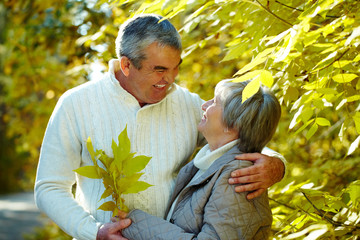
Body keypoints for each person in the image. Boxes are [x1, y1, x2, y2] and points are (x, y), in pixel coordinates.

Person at [34, 14, 285, 240]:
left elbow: (240, 137)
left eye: (176, 67)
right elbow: (49, 187)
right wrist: (93, 232)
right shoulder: (76, 104)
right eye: (159, 70)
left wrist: (276, 164)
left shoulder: (187, 104)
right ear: (126, 65)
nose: (170, 79)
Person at [117, 79, 281, 239]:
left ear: (234, 124)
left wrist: (134, 223)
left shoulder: (238, 176)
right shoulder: (209, 164)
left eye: (215, 102)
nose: (204, 105)